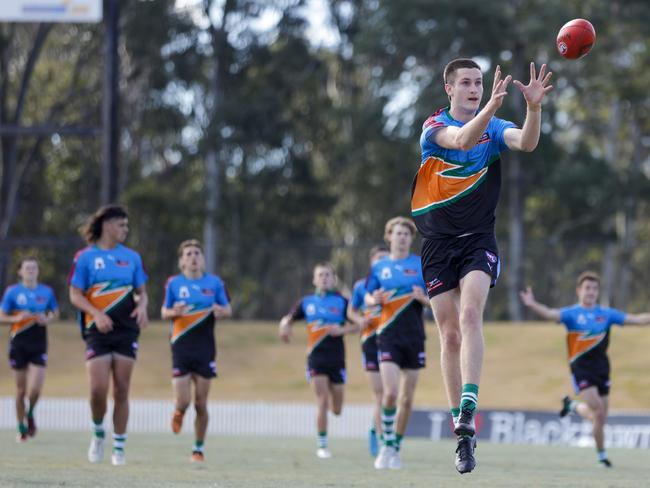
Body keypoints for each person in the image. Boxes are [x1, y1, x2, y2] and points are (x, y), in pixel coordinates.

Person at [411, 58, 553, 474]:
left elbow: (526, 143)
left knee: (471, 313)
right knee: (449, 334)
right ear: (449, 89)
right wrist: (491, 106)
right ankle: (463, 433)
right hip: (436, 244)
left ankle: (469, 405)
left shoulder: (495, 125)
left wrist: (534, 108)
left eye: (478, 83)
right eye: (467, 83)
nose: (474, 88)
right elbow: (461, 140)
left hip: (477, 240)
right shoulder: (433, 127)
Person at [519, 271, 650, 468]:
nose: (591, 292)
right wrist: (532, 304)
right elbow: (550, 314)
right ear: (579, 291)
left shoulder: (606, 314)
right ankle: (602, 457)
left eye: (594, 288)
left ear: (598, 292)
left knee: (601, 417)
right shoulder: (572, 314)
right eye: (587, 288)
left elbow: (636, 319)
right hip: (581, 369)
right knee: (597, 411)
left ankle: (573, 408)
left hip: (602, 369)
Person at [69, 204, 149, 466]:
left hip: (126, 329)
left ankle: (119, 447)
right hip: (97, 330)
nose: (126, 230)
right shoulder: (85, 257)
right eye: (121, 225)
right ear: (107, 225)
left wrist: (143, 306)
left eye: (127, 225)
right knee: (97, 390)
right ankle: (98, 433)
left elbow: (141, 291)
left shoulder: (132, 257)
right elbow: (75, 294)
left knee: (122, 390)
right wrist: (97, 314)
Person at [365, 217, 429, 470]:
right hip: (387, 335)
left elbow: (436, 300)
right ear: (389, 237)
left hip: (414, 336)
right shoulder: (380, 267)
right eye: (398, 233)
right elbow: (368, 295)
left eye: (406, 234)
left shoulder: (421, 265)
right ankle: (386, 445)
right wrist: (373, 299)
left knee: (407, 399)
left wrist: (422, 298)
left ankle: (396, 447)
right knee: (390, 393)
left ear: (411, 239)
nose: (402, 237)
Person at [279, 262, 360, 459]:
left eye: (328, 275)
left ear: (333, 279)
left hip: (337, 359)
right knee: (322, 400)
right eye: (320, 275)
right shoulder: (306, 302)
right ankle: (322, 445)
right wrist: (284, 326)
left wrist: (342, 330)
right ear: (315, 279)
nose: (324, 278)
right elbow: (288, 318)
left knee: (337, 409)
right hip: (315, 358)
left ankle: (333, 408)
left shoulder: (343, 301)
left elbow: (358, 325)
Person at [161, 239, 232, 462]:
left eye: (197, 254)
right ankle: (179, 412)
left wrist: (221, 310)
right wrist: (174, 311)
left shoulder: (215, 283)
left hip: (205, 349)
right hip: (181, 349)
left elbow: (228, 309)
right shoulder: (173, 284)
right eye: (189, 254)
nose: (193, 257)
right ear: (182, 261)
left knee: (201, 403)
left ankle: (198, 449)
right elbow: (163, 312)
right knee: (183, 400)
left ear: (203, 259)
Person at [0, 257, 58, 442]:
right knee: (20, 390)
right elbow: (1, 316)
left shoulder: (46, 292)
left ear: (38, 271)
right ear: (20, 272)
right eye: (27, 268)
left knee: (35, 389)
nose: (31, 271)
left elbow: (54, 312)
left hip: (38, 343)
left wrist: (47, 319)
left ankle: (30, 413)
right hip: (18, 344)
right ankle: (21, 426)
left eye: (34, 268)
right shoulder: (13, 292)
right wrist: (15, 320)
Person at [348, 244, 389, 457]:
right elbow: (351, 310)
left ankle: (377, 428)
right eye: (378, 259)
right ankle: (381, 438)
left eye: (385, 258)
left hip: (391, 339)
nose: (382, 261)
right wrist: (359, 320)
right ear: (372, 263)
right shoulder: (360, 286)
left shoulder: (394, 283)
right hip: (369, 342)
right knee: (380, 393)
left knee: (390, 393)